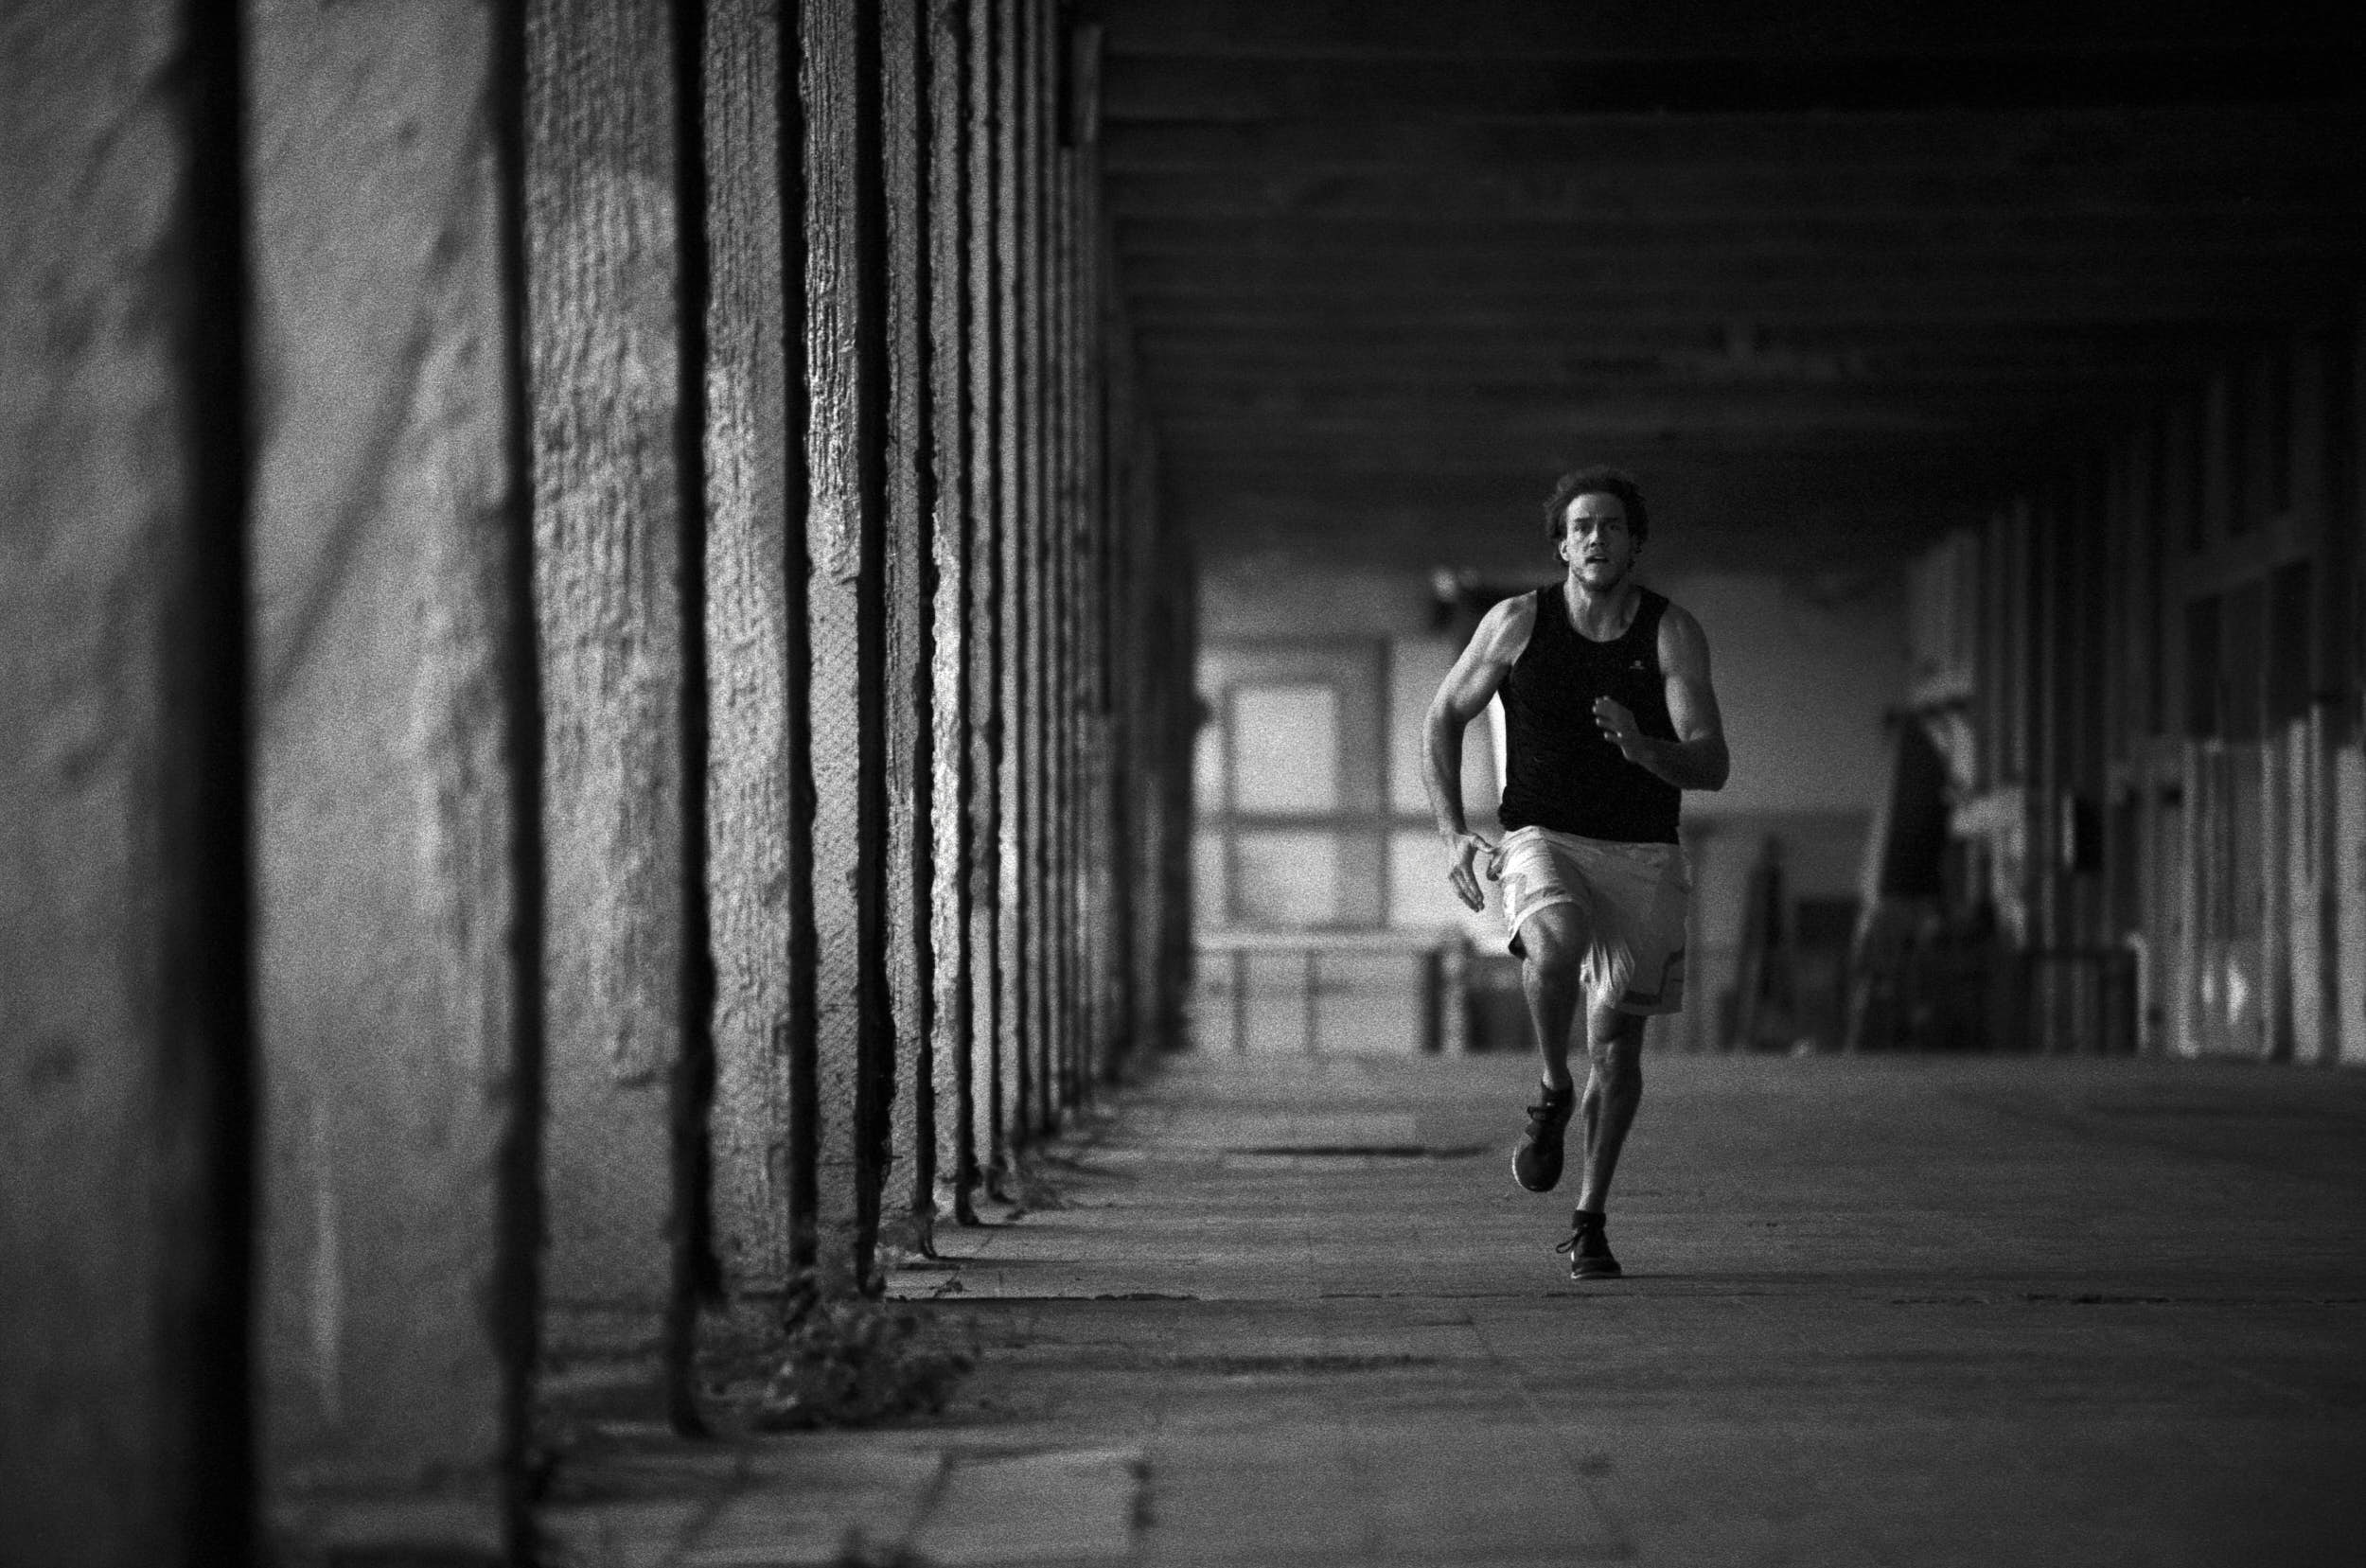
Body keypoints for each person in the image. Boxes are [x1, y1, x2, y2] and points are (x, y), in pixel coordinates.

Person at [1421, 467, 1729, 1279]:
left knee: (1621, 1052)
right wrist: (1454, 830)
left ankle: (1589, 1218)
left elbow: (1713, 763)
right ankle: (1552, 1086)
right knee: (1553, 949)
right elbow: (1444, 714)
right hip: (1542, 835)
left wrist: (1644, 748)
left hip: (1642, 852)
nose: (1596, 538)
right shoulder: (1519, 622)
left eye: (1612, 526)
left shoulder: (1671, 634)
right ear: (1562, 544)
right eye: (1582, 526)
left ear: (1636, 543)